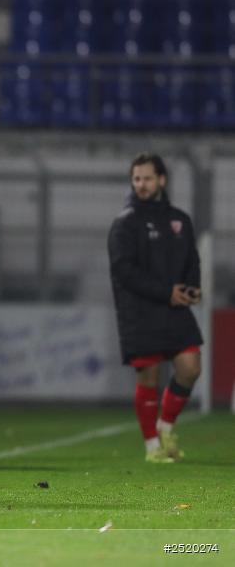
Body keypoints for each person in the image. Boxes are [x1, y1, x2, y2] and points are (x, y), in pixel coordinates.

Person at [108, 152, 203, 463]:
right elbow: (124, 271)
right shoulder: (125, 223)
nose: (141, 185)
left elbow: (192, 260)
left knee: (190, 367)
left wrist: (192, 287)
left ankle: (165, 426)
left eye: (147, 178)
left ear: (161, 180)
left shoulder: (180, 220)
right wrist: (166, 292)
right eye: (136, 179)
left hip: (174, 306)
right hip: (141, 310)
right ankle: (152, 447)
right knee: (148, 377)